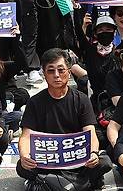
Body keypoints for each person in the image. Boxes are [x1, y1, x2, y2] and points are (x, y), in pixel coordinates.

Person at [17, 48, 112, 189]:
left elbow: (90, 131)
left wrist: (93, 153)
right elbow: (26, 135)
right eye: (51, 71)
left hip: (77, 159)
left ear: (69, 72)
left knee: (104, 162)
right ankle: (78, 183)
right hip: (48, 160)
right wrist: (25, 156)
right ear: (44, 73)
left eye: (61, 70)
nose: (56, 75)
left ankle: (54, 183)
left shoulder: (82, 99)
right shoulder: (35, 102)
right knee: (22, 167)